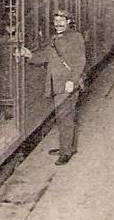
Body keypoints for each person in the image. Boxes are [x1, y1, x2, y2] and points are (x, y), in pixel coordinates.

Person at [16, 9, 86, 165]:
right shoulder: (55, 38)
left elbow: (80, 61)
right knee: (62, 116)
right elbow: (47, 56)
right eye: (56, 22)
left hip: (67, 84)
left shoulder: (75, 37)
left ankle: (66, 152)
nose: (58, 24)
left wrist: (72, 81)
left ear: (69, 21)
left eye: (62, 21)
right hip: (56, 84)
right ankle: (66, 147)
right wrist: (30, 55)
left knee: (65, 117)